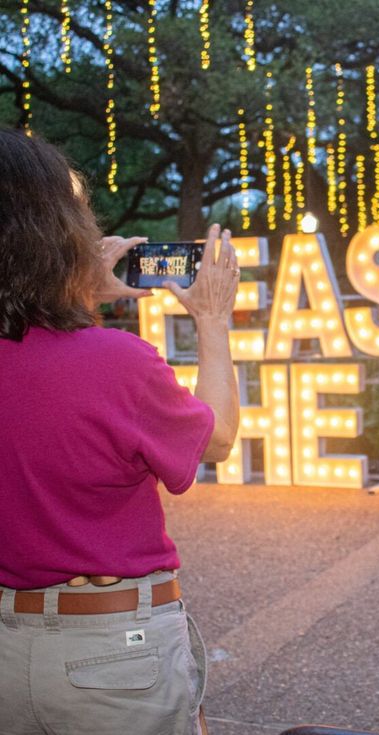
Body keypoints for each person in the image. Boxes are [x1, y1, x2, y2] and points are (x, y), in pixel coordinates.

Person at [0, 129, 240, 735]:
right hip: (110, 658)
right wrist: (213, 320)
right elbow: (216, 439)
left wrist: (76, 296)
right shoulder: (118, 363)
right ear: (58, 235)